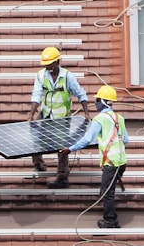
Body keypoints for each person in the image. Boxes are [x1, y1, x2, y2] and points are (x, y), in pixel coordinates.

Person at [59, 85, 128, 228]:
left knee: (106, 193)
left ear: (102, 101)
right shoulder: (119, 118)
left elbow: (87, 139)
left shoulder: (100, 119)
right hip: (122, 162)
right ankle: (112, 218)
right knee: (108, 190)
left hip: (111, 163)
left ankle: (110, 221)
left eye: (97, 100)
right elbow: (125, 140)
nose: (95, 103)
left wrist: (70, 149)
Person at [27, 46, 91, 189]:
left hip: (61, 117)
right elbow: (36, 95)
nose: (47, 66)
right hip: (45, 113)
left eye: (49, 63)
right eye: (45, 64)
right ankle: (39, 165)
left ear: (57, 62)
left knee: (62, 146)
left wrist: (86, 113)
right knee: (33, 135)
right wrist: (31, 114)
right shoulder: (40, 75)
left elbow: (80, 94)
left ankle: (62, 177)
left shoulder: (67, 76)